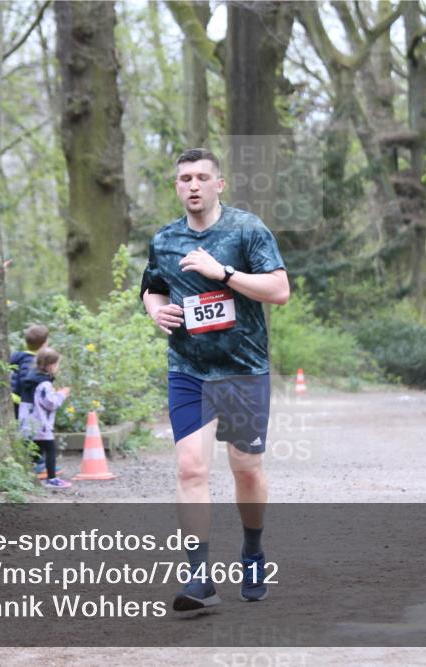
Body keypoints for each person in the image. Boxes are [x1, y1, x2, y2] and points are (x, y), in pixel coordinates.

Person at [140, 148, 289, 612]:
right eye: (185, 178)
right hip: (188, 370)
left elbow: (279, 290)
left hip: (243, 370)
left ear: (219, 184)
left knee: (245, 470)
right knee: (191, 468)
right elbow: (152, 285)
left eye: (202, 177)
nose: (193, 185)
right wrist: (155, 312)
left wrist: (222, 272)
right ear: (177, 186)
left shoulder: (246, 229)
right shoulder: (165, 239)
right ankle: (199, 576)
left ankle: (252, 551)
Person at [20, 347, 72, 490]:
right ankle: (52, 478)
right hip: (41, 424)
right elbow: (50, 404)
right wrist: (61, 394)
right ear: (51, 365)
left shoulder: (30, 379)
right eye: (56, 364)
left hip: (28, 423)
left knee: (34, 452)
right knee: (50, 450)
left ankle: (28, 477)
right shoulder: (44, 383)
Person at [11, 324, 50, 474]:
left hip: (18, 401)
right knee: (32, 432)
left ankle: (38, 461)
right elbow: (26, 379)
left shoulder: (21, 356)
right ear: (45, 343)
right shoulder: (30, 360)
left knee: (29, 431)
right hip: (22, 402)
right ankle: (38, 463)